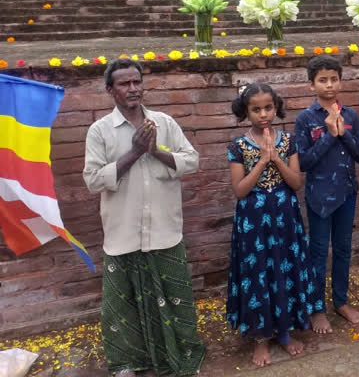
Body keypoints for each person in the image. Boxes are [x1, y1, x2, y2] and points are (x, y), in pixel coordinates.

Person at [83, 58, 205, 377]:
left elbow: (191, 161)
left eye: (137, 81)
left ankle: (179, 355)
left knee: (175, 298)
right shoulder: (100, 131)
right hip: (122, 234)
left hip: (165, 231)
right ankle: (127, 362)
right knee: (122, 304)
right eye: (125, 83)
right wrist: (135, 153)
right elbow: (93, 180)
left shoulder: (163, 123)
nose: (133, 88)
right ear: (111, 90)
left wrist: (155, 152)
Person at [226, 83, 319, 367]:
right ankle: (261, 339)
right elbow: (240, 190)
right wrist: (261, 161)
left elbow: (296, 183)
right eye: (256, 109)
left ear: (276, 108)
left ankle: (286, 332)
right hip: (253, 223)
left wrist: (276, 158)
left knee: (285, 270)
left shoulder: (288, 141)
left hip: (285, 219)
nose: (263, 114)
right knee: (258, 274)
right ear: (246, 111)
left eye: (268, 108)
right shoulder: (238, 146)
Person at [294, 56, 359, 333]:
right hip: (319, 196)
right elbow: (302, 162)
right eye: (322, 80)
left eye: (334, 79)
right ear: (311, 85)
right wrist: (328, 135)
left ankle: (341, 300)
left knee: (343, 249)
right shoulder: (306, 119)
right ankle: (316, 308)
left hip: (347, 193)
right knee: (317, 252)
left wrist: (343, 133)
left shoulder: (350, 116)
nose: (329, 85)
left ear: (340, 81)